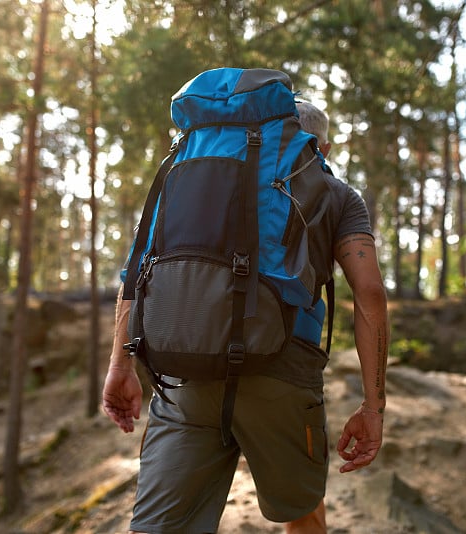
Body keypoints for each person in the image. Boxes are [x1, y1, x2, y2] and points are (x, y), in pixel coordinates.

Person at [102, 99, 389, 534]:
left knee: (163, 527)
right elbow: (369, 293)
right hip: (283, 374)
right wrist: (373, 406)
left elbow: (134, 274)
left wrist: (120, 366)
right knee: (303, 510)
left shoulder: (186, 181)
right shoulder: (337, 195)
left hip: (187, 371)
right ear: (321, 149)